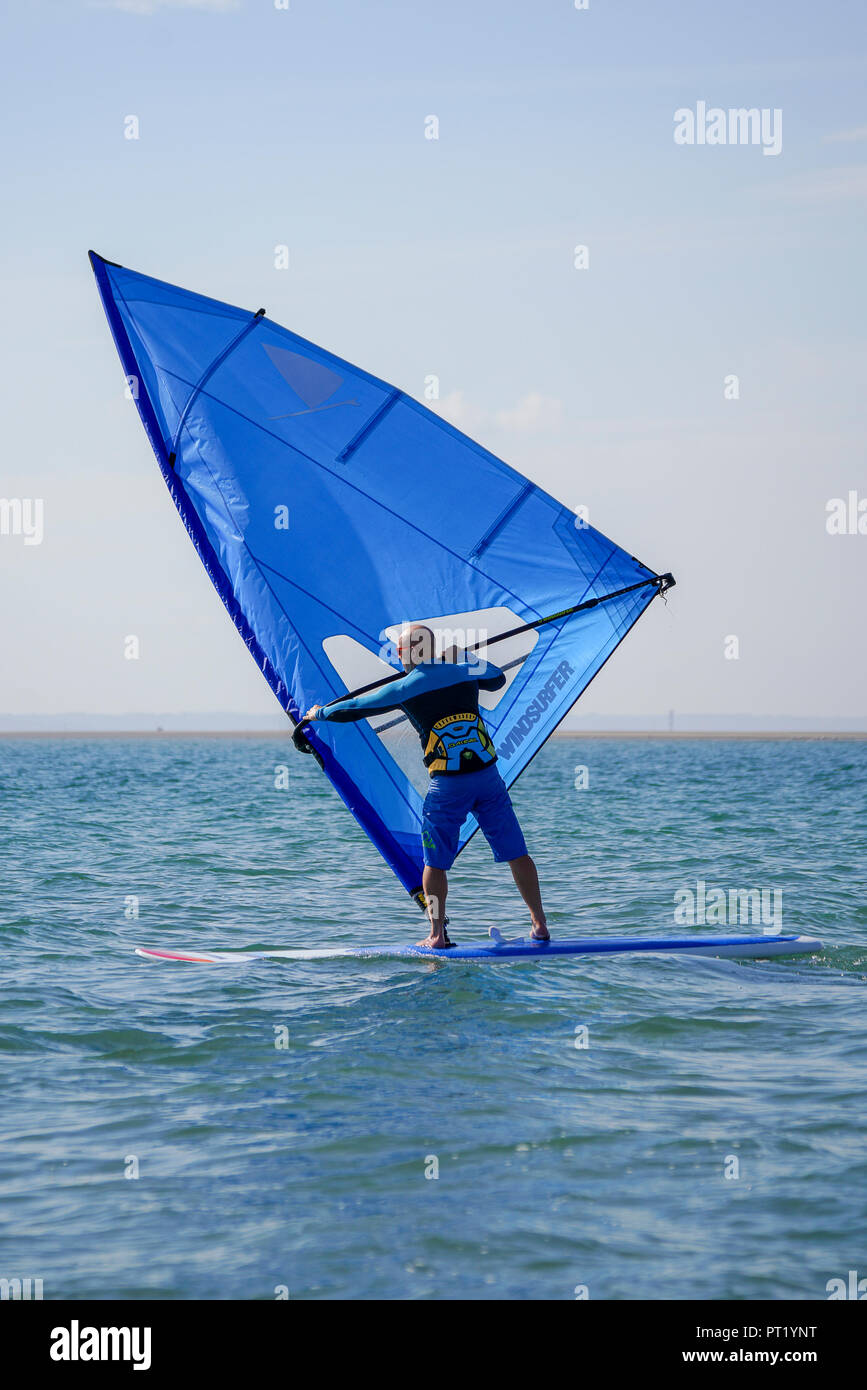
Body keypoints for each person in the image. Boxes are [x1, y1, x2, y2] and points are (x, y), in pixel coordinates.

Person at [302, 623, 549, 949]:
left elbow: (355, 708)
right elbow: (496, 677)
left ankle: (437, 933)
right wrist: (463, 656)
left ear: (404, 654)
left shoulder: (405, 687)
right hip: (489, 780)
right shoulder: (464, 672)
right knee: (518, 854)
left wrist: (320, 713)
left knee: (434, 864)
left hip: (448, 787)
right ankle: (540, 924)